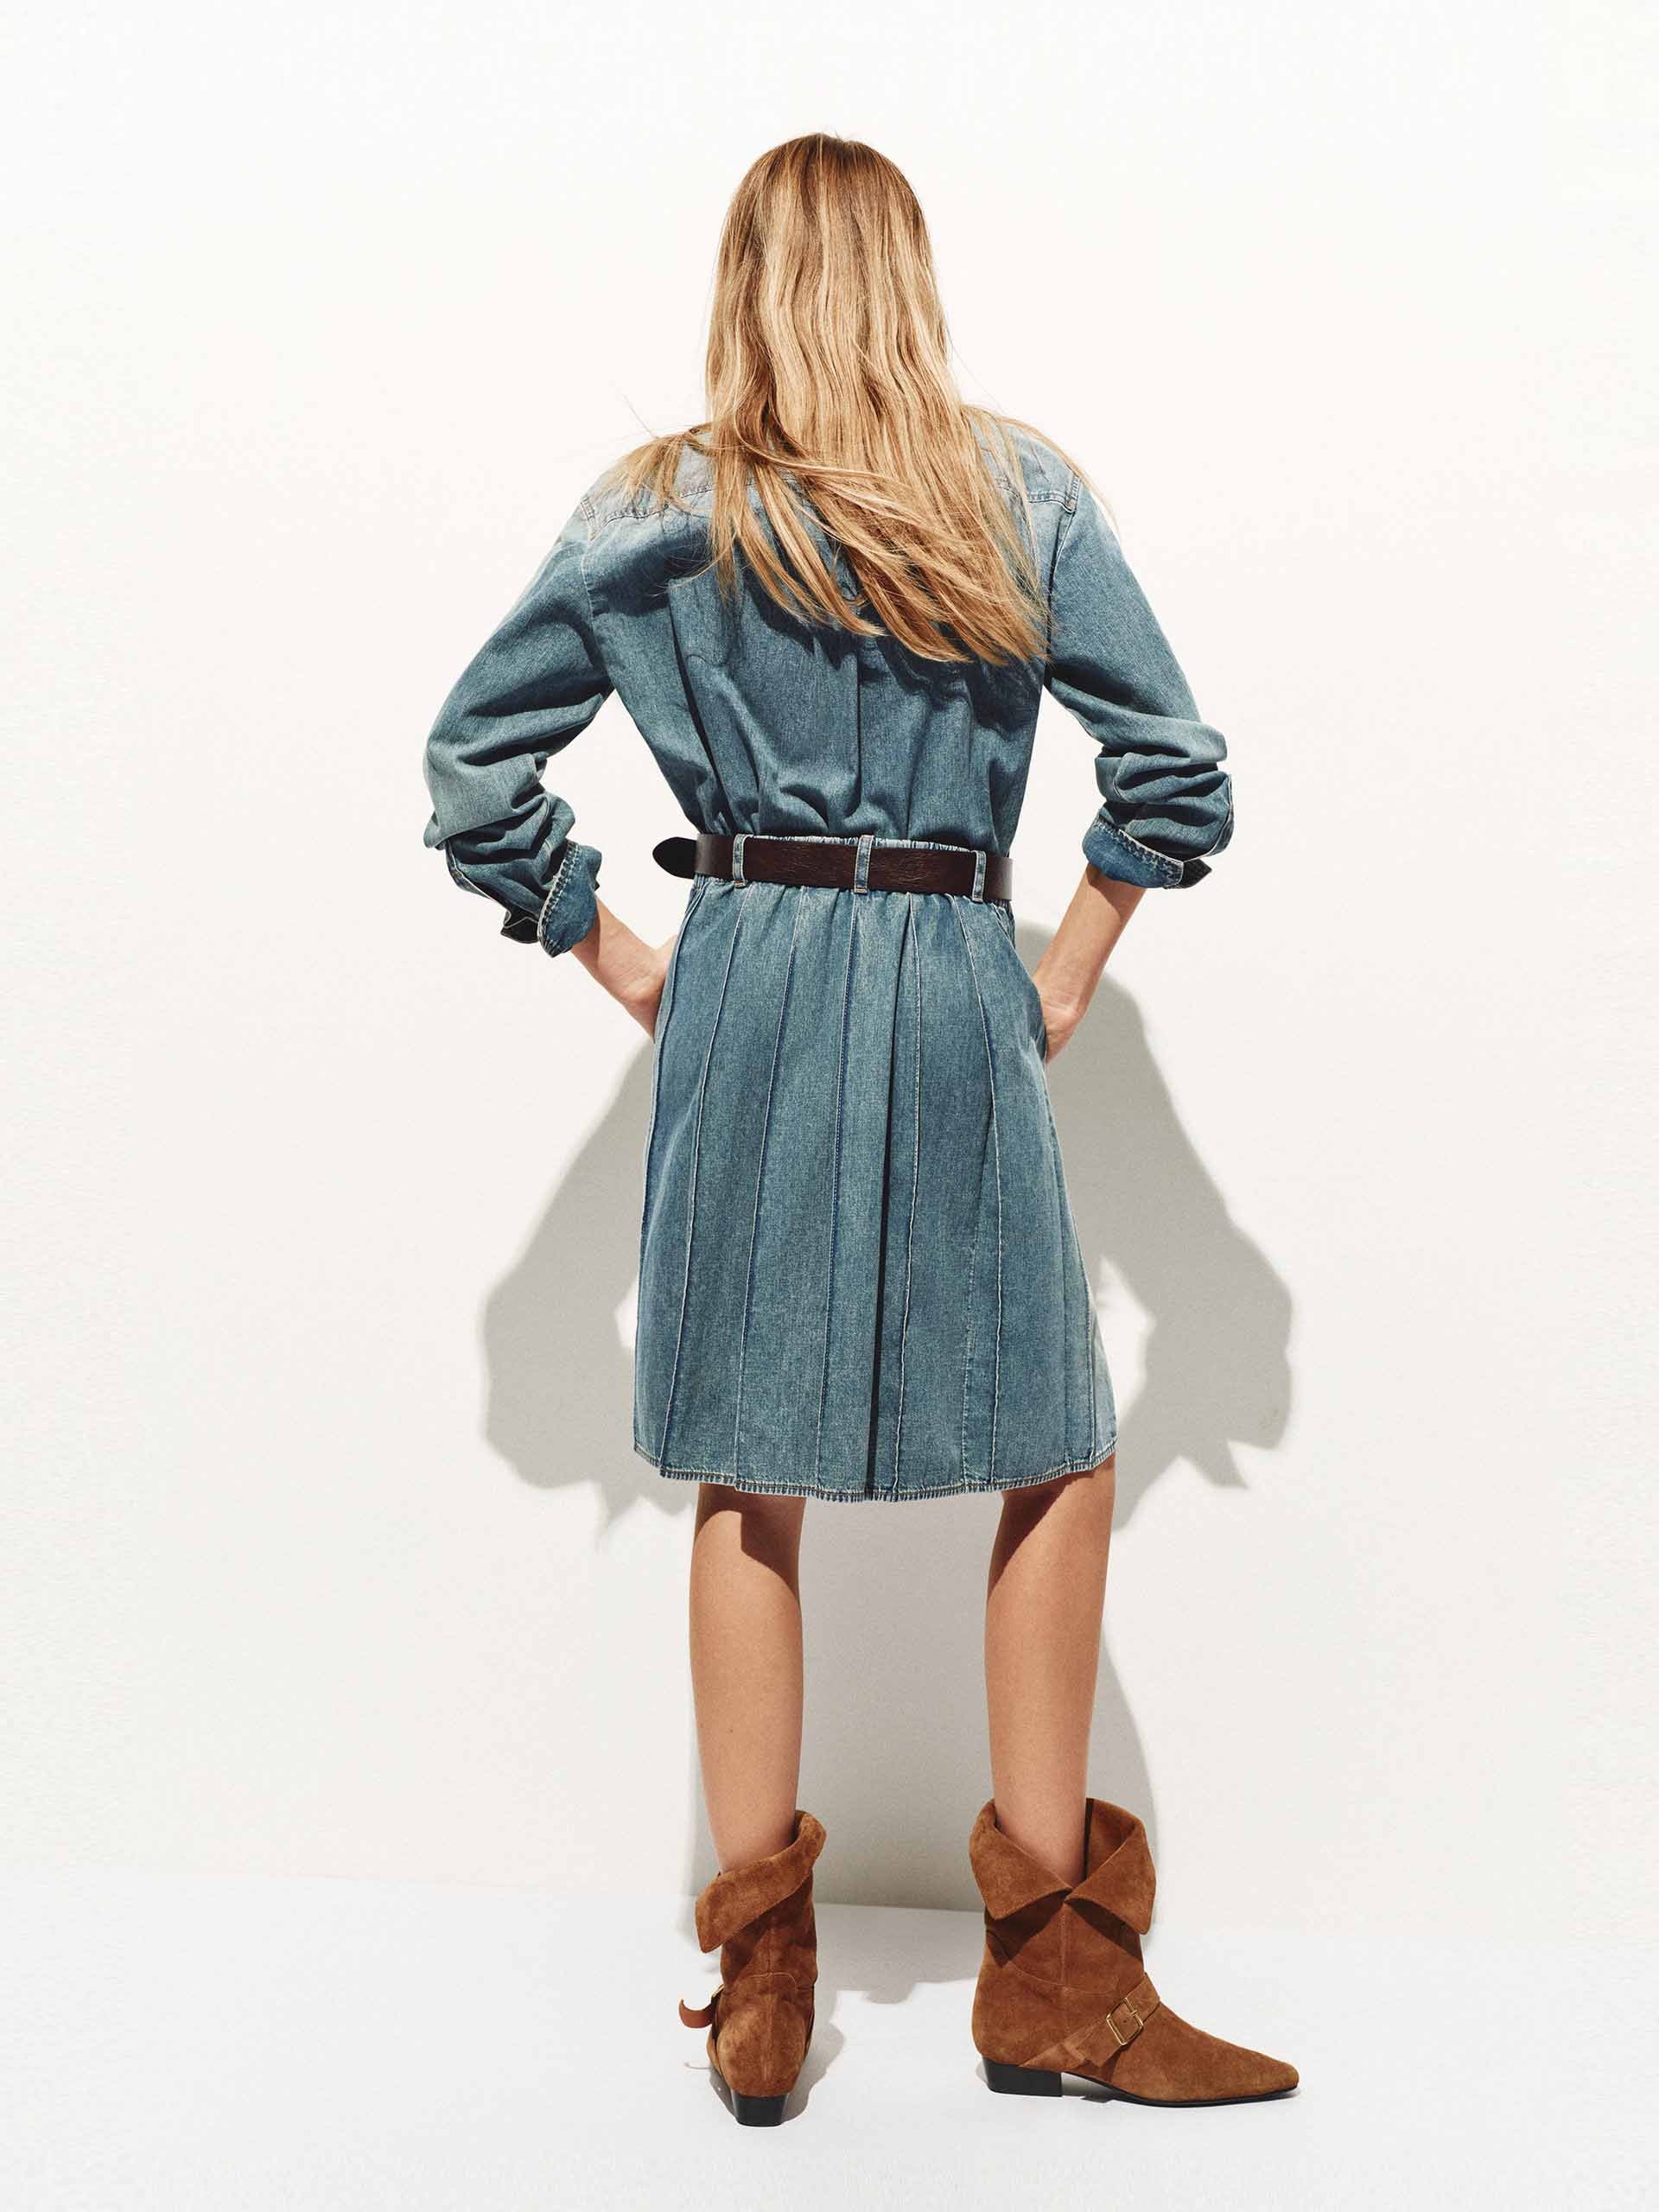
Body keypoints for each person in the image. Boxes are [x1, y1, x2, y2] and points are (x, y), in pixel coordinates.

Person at [421, 133, 1296, 2126]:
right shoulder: (1016, 494)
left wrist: (623, 955)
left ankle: (759, 1980)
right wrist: (1064, 965)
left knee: (749, 1466)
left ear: (742, 283)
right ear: (910, 278)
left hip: (747, 975)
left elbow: (473, 765)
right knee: (1055, 1445)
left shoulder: (658, 509)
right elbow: (1175, 762)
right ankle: (1057, 1977)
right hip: (951, 972)